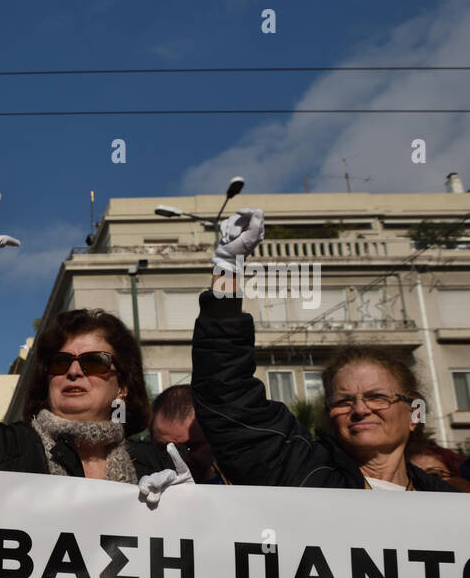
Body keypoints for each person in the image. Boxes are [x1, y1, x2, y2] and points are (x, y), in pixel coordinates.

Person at [0, 179, 180, 490]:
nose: (74, 371)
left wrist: (228, 280)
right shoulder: (7, 453)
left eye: (94, 362)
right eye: (60, 362)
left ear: (122, 386)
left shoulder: (159, 466)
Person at [191, 208, 457, 493]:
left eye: (377, 397)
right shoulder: (302, 473)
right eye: (343, 401)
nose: (360, 409)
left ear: (415, 412)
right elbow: (225, 389)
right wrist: (227, 268)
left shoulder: (448, 499)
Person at [150, 385, 221, 483]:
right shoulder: (142, 482)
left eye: (189, 447)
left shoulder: (240, 482)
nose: (178, 459)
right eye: (165, 449)